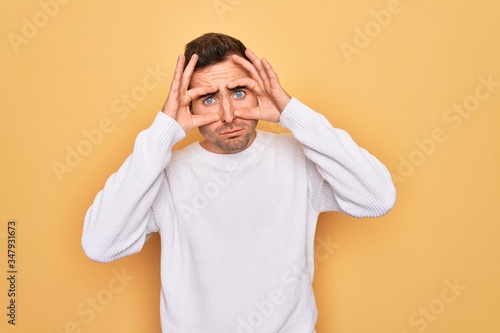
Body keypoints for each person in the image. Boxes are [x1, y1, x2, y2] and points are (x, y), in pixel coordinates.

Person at [81, 32, 396, 333]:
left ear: (258, 91)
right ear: (188, 106)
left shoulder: (298, 159)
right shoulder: (166, 175)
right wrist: (163, 132)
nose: (228, 115)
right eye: (208, 99)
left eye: (239, 93)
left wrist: (292, 114)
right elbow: (100, 244)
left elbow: (377, 197)